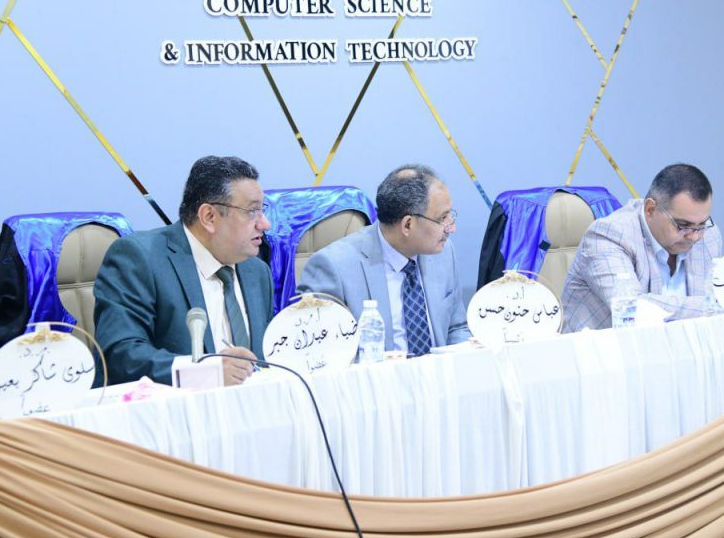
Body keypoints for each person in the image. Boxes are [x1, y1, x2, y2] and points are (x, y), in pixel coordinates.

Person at [93, 156, 274, 386]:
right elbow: (120, 355)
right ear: (209, 217)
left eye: (262, 210)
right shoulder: (140, 258)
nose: (265, 224)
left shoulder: (256, 271)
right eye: (252, 211)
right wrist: (205, 373)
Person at [297, 164, 471, 356]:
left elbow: (456, 328)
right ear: (408, 225)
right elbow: (320, 354)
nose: (452, 227)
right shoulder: (333, 266)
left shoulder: (443, 252)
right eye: (442, 218)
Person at [561, 163, 723, 332]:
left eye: (702, 224)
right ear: (650, 210)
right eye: (683, 225)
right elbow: (633, 308)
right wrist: (715, 305)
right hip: (605, 347)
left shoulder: (709, 236)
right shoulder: (608, 236)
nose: (694, 236)